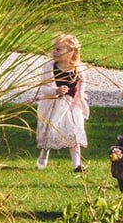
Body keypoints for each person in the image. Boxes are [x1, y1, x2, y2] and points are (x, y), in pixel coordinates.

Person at [36, 33, 90, 172]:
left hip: (71, 106)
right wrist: (56, 91)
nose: (54, 51)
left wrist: (80, 96)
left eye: (59, 49)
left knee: (74, 132)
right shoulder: (50, 67)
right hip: (53, 105)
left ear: (71, 52)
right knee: (50, 131)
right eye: (54, 48)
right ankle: (43, 154)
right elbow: (44, 88)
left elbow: (81, 85)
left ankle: (77, 164)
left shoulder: (78, 69)